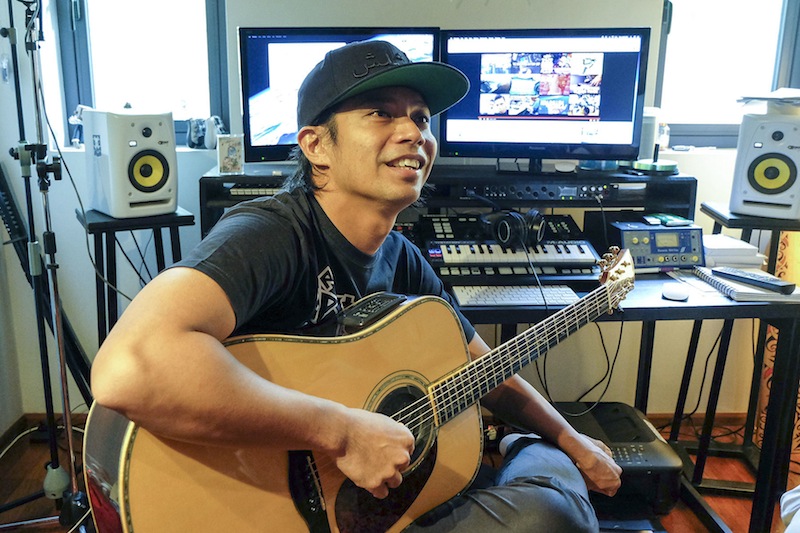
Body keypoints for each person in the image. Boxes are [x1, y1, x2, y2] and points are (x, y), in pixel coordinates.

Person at [90, 39, 621, 531]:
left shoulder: (403, 259)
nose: (413, 132)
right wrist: (340, 431)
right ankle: (524, 451)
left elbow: (483, 371)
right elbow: (129, 368)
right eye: (381, 113)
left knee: (552, 491)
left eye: (421, 117)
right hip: (249, 509)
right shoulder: (271, 233)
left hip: (358, 507)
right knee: (554, 513)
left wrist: (570, 437)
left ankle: (529, 447)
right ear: (316, 145)